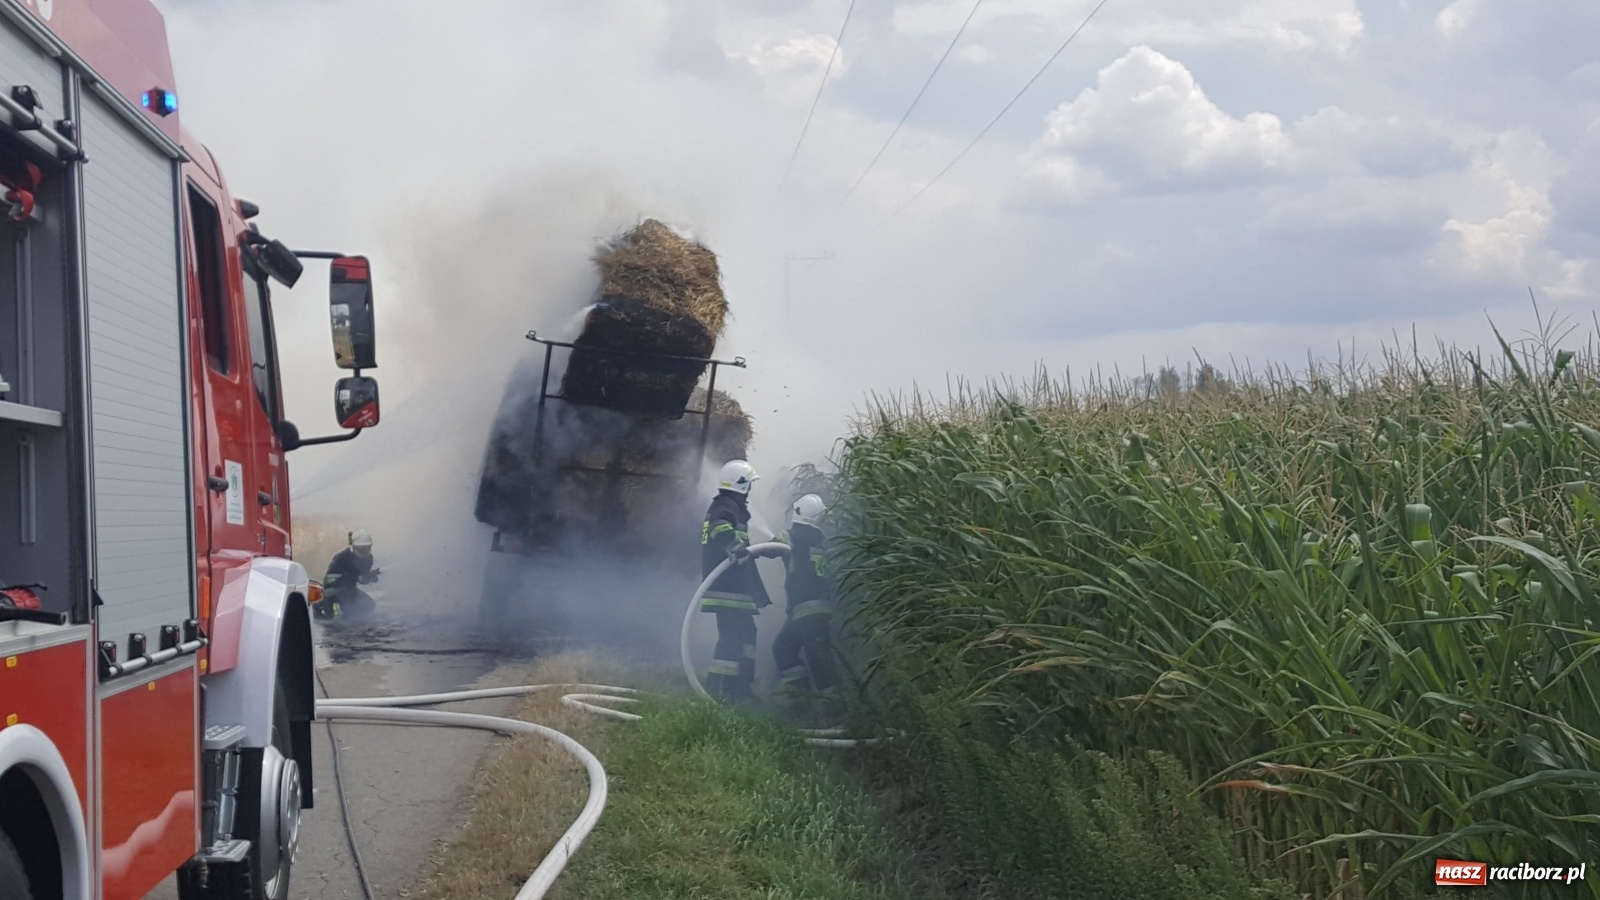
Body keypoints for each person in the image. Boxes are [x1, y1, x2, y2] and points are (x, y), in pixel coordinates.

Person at [700, 459, 770, 702]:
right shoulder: (725, 505)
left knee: (747, 632)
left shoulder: (732, 507)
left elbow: (744, 547)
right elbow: (720, 528)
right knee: (732, 636)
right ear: (742, 485)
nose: (751, 489)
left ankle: (741, 685)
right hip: (728, 588)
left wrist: (769, 547)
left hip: (734, 588)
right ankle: (721, 689)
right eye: (749, 484)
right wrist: (733, 545)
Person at [770, 494, 841, 720]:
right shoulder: (822, 541)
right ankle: (813, 705)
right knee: (789, 648)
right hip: (819, 610)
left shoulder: (790, 536)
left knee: (789, 650)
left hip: (802, 610)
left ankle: (820, 710)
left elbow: (770, 547)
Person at [318, 529, 381, 620]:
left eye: (367, 548)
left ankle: (356, 623)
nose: (364, 552)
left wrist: (370, 577)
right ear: (353, 547)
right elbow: (328, 580)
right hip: (333, 591)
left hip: (350, 590)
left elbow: (361, 580)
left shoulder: (368, 559)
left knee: (369, 604)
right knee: (341, 609)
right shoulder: (341, 558)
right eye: (361, 549)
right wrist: (346, 577)